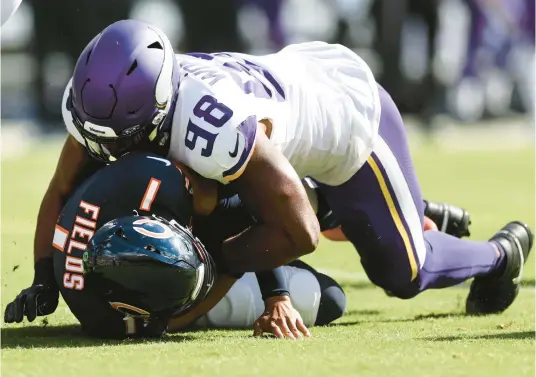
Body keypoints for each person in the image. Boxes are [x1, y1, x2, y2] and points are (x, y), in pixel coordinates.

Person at [26, 19, 533, 336]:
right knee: (210, 201)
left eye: (120, 141)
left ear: (158, 114)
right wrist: (43, 275)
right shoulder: (109, 102)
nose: (107, 152)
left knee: (404, 274)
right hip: (284, 121)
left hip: (347, 122)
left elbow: (296, 230)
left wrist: (228, 273)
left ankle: (498, 255)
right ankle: (405, 211)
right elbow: (63, 188)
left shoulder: (212, 130)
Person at [3, 152, 346, 339]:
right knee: (328, 299)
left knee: (296, 208)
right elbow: (171, 324)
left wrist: (277, 296)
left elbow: (249, 203)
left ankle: (328, 204)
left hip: (198, 215)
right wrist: (230, 266)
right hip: (218, 266)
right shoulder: (106, 321)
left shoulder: (154, 181)